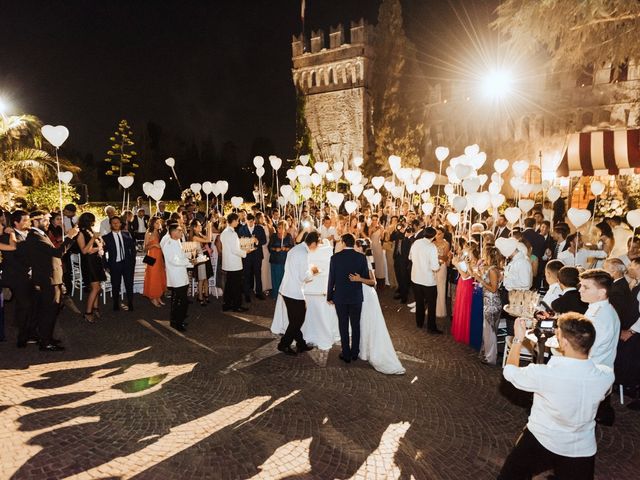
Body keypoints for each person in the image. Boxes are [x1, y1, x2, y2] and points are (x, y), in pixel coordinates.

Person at [498, 313, 615, 480]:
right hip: (581, 448)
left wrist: (518, 339)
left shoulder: (545, 374)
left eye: (558, 334)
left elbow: (510, 372)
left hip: (541, 439)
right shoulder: (606, 376)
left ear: (565, 342)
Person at [21, 211, 80, 351]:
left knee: (53, 310)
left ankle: (47, 337)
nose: (48, 223)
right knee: (48, 311)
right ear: (35, 221)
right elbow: (58, 253)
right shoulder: (35, 237)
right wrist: (70, 237)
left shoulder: (41, 235)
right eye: (46, 220)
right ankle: (45, 342)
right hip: (47, 280)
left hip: (53, 278)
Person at [351, 238, 405, 374]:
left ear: (359, 247)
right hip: (359, 294)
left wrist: (359, 279)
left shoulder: (366, 260)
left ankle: (369, 351)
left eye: (355, 246)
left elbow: (373, 282)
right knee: (362, 322)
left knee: (369, 322)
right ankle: (363, 350)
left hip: (368, 296)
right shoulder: (358, 259)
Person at [327, 233, 370, 363]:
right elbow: (366, 277)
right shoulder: (361, 258)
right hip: (356, 296)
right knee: (356, 325)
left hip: (340, 296)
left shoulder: (335, 258)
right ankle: (355, 352)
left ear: (344, 243)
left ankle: (346, 353)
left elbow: (331, 279)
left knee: (343, 324)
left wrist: (330, 295)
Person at [277, 231, 320, 356]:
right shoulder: (303, 253)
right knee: (298, 320)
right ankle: (283, 344)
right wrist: (313, 271)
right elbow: (303, 276)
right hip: (294, 291)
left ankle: (301, 344)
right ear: (313, 243)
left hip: (287, 288)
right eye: (317, 244)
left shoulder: (296, 249)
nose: (317, 247)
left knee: (294, 319)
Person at [473, 246, 503, 365]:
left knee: (489, 330)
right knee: (489, 330)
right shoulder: (494, 269)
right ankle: (487, 353)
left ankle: (490, 357)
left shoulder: (492, 270)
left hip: (492, 303)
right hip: (489, 301)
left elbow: (494, 289)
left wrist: (479, 279)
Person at [408, 227, 442, 333]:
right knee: (431, 305)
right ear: (434, 236)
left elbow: (410, 257)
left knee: (419, 302)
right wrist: (439, 263)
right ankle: (431, 327)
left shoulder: (416, 242)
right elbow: (435, 267)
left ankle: (419, 322)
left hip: (415, 278)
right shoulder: (432, 247)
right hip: (428, 281)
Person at [161, 223, 193, 332]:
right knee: (181, 301)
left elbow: (181, 256)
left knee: (178, 300)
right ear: (173, 232)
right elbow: (173, 261)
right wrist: (188, 262)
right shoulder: (169, 244)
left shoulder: (177, 241)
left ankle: (176, 320)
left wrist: (190, 261)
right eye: (179, 230)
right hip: (176, 276)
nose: (181, 232)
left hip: (181, 274)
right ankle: (177, 323)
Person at [76, 212, 106, 323]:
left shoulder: (91, 231)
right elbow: (84, 250)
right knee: (96, 288)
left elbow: (91, 249)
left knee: (97, 286)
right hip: (89, 263)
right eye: (92, 220)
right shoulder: (80, 233)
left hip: (95, 261)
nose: (94, 222)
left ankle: (95, 308)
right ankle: (88, 313)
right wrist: (93, 239)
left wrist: (99, 245)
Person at [102, 215, 136, 312]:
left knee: (129, 284)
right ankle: (116, 303)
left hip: (127, 264)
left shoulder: (127, 234)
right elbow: (102, 253)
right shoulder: (106, 238)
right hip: (115, 264)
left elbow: (133, 249)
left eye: (118, 222)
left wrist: (132, 261)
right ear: (110, 225)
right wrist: (106, 265)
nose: (116, 224)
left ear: (121, 224)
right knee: (115, 285)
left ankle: (130, 303)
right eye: (114, 223)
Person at [502, 241, 533, 336]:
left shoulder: (522, 262)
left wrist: (509, 282)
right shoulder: (515, 261)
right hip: (512, 295)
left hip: (518, 297)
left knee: (514, 325)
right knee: (511, 323)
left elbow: (526, 283)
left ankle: (515, 346)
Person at [451, 242, 480, 344]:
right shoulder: (467, 258)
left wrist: (456, 265)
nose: (464, 250)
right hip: (462, 284)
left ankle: (464, 332)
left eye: (466, 248)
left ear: (471, 250)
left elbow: (464, 275)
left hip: (467, 285)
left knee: (465, 307)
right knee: (459, 306)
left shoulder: (474, 262)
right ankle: (459, 329)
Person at [220, 213, 249, 312]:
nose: (238, 222)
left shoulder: (224, 232)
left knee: (229, 285)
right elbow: (235, 250)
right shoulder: (232, 233)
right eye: (237, 220)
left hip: (228, 263)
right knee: (236, 286)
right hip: (234, 263)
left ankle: (227, 304)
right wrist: (246, 252)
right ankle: (237, 305)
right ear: (233, 221)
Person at [238, 213, 267, 301]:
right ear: (246, 221)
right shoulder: (241, 229)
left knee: (257, 273)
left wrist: (257, 241)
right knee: (246, 274)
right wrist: (246, 242)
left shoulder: (260, 228)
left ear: (254, 221)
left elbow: (264, 241)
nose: (250, 223)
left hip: (257, 255)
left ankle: (259, 292)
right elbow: (239, 241)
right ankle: (247, 294)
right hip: (247, 255)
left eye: (252, 221)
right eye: (248, 222)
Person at [189, 219, 214, 306]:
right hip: (200, 259)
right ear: (195, 228)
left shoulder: (199, 234)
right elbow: (208, 240)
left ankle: (206, 294)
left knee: (206, 278)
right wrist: (210, 228)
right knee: (201, 279)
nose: (200, 226)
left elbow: (208, 239)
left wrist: (208, 229)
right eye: (199, 225)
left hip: (204, 258)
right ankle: (200, 297)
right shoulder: (194, 237)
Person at [143, 216, 166, 307]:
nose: (158, 224)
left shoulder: (159, 232)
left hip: (159, 256)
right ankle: (153, 297)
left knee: (160, 276)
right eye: (156, 223)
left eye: (159, 222)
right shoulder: (148, 233)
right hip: (151, 257)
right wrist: (154, 245)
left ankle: (158, 296)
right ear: (152, 223)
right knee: (152, 276)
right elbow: (145, 248)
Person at [268, 220, 294, 299]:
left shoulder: (288, 236)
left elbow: (292, 247)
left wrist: (286, 248)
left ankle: (283, 294)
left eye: (280, 228)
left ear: (284, 228)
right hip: (275, 260)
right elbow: (269, 247)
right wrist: (275, 249)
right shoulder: (274, 236)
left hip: (284, 260)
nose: (278, 229)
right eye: (278, 227)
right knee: (275, 278)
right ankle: (276, 294)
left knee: (283, 278)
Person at [434, 226, 450, 319]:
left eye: (439, 233)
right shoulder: (433, 242)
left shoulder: (446, 244)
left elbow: (445, 258)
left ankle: (440, 310)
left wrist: (436, 256)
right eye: (436, 233)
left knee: (441, 287)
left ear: (443, 234)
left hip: (441, 266)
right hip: (433, 267)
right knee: (434, 287)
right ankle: (433, 306)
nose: (437, 235)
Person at [369, 214, 386, 287]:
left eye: (376, 219)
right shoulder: (370, 227)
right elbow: (368, 238)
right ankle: (373, 279)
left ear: (378, 220)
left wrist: (382, 232)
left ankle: (381, 282)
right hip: (372, 246)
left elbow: (382, 238)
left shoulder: (381, 227)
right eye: (373, 220)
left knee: (379, 263)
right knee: (373, 262)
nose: (375, 221)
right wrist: (372, 231)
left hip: (378, 246)